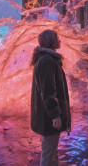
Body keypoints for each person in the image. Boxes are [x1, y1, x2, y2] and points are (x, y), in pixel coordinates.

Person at [31, 30, 71, 166]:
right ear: (51, 41)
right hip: (48, 118)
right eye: (57, 38)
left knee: (52, 154)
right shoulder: (47, 60)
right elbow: (48, 91)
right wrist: (55, 115)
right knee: (48, 156)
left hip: (47, 117)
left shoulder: (48, 59)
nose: (60, 40)